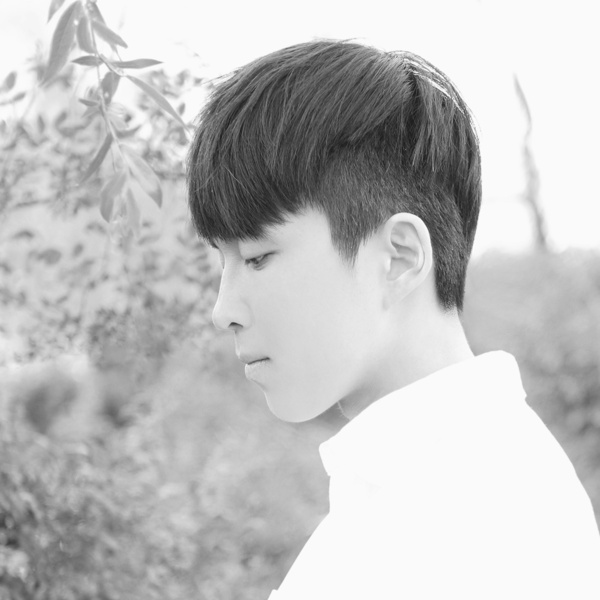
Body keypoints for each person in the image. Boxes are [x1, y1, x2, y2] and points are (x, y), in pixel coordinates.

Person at [186, 39, 600, 599]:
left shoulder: (480, 521)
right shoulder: (412, 485)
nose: (223, 310)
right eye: (224, 261)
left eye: (258, 258)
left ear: (398, 258)